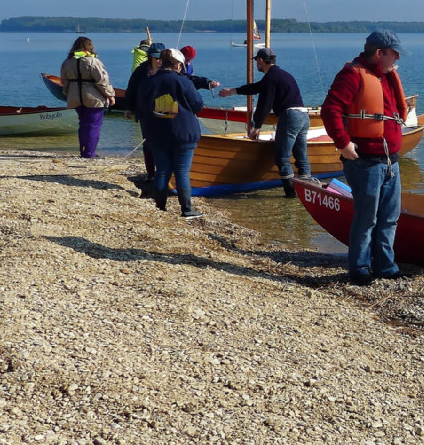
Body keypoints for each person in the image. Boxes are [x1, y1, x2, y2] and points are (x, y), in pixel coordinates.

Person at [320, 29, 409, 285]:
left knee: (390, 217)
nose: (397, 59)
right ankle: (359, 269)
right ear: (379, 53)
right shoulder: (353, 74)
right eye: (394, 54)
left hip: (391, 160)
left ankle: (386, 266)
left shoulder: (386, 77)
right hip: (365, 161)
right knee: (366, 218)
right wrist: (343, 143)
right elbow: (330, 109)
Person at [218, 47, 309, 197]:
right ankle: (307, 193)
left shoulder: (271, 78)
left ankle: (291, 194)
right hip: (303, 116)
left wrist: (257, 126)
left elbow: (264, 104)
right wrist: (232, 91)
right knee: (301, 156)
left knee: (282, 158)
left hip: (290, 117)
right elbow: (256, 88)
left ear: (261, 60)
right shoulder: (280, 75)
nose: (256, 65)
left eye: (256, 61)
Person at [136, 48, 205, 218]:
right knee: (181, 171)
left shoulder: (148, 82)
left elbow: (141, 108)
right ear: (178, 65)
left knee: (162, 170)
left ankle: (160, 207)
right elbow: (198, 105)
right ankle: (186, 209)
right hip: (183, 133)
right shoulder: (184, 82)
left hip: (157, 133)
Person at [60, 36, 116, 158]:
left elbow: (64, 81)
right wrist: (110, 95)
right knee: (93, 125)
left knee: (83, 124)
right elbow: (102, 81)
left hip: (75, 96)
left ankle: (83, 151)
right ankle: (89, 153)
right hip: (93, 96)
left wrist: (68, 94)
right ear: (90, 46)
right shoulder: (93, 61)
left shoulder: (68, 62)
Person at [125, 42, 166, 193]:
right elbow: (131, 88)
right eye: (156, 58)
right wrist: (128, 107)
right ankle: (151, 174)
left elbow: (186, 81)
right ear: (150, 57)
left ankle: (163, 173)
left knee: (164, 143)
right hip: (146, 111)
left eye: (162, 57)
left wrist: (206, 83)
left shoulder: (170, 70)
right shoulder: (141, 71)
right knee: (148, 143)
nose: (159, 61)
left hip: (166, 111)